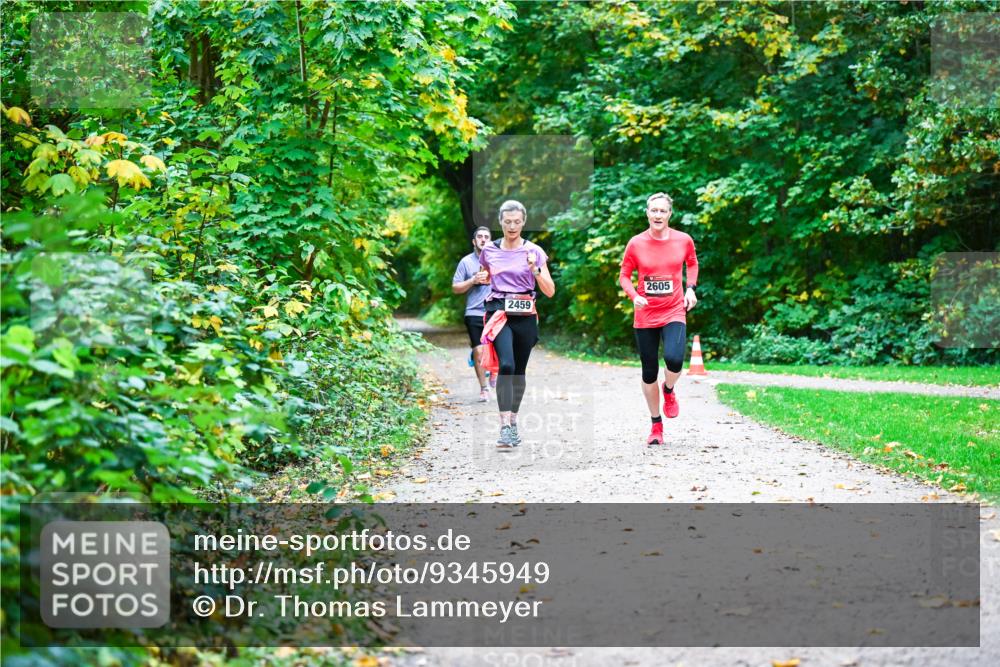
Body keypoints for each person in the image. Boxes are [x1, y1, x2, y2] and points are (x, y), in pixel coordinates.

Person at [618, 192, 699, 445]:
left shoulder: (683, 240)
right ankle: (656, 425)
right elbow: (624, 275)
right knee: (649, 371)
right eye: (654, 210)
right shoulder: (636, 243)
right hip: (646, 314)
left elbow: (692, 263)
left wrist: (690, 288)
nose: (658, 215)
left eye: (663, 211)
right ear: (647, 213)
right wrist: (634, 295)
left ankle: (669, 389)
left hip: (674, 309)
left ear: (669, 214)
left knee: (674, 359)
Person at [479, 200, 555, 448]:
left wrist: (535, 271)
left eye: (517, 222)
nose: (512, 226)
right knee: (507, 364)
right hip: (499, 313)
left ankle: (513, 421)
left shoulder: (534, 251)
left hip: (525, 314)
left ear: (524, 223)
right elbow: (486, 274)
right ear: (500, 222)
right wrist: (483, 277)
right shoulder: (489, 250)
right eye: (507, 222)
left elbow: (550, 291)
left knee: (519, 370)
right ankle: (504, 426)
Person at [452, 226, 495, 401]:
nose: (483, 239)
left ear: (490, 241)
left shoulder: (498, 260)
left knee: (499, 348)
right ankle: (484, 388)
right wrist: (472, 280)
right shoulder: (466, 262)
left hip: (495, 311)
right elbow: (455, 288)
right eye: (480, 236)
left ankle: (493, 370)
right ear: (474, 241)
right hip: (474, 312)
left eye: (487, 237)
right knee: (478, 351)